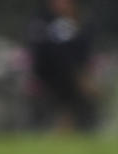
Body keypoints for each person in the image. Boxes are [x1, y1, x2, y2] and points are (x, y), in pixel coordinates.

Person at [27, 0, 98, 131]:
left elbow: (83, 52)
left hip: (72, 77)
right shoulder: (42, 23)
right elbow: (45, 53)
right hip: (52, 77)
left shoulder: (81, 24)